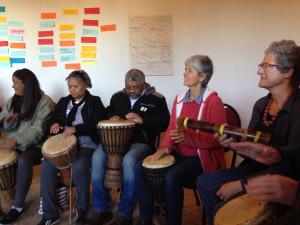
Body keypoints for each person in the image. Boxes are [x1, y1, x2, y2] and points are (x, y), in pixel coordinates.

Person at [197, 39, 300, 225]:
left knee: (225, 196)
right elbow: (254, 150)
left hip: (286, 175)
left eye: (267, 66)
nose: (259, 70)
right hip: (256, 167)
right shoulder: (261, 105)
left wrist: (242, 184)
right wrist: (235, 145)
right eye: (261, 65)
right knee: (205, 183)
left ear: (288, 71)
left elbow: (293, 163)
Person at [136, 55, 226, 225]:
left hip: (201, 157)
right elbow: (171, 129)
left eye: (189, 70)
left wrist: (188, 136)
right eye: (185, 69)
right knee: (141, 169)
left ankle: (172, 221)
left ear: (202, 76)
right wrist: (164, 148)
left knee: (171, 177)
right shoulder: (179, 99)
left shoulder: (214, 102)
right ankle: (147, 217)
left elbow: (217, 140)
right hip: (180, 153)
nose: (184, 73)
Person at [88, 69, 170, 225]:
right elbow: (108, 112)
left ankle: (124, 213)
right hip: (113, 142)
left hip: (141, 142)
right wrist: (112, 116)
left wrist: (142, 119)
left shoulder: (157, 99)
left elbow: (164, 123)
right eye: (128, 86)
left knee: (129, 161)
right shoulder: (118, 96)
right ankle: (101, 209)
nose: (131, 90)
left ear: (143, 84)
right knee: (97, 158)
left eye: (135, 87)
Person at [37, 70, 106, 225]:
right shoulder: (63, 101)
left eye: (76, 86)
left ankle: (81, 210)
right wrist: (54, 123)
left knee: (80, 165)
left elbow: (97, 124)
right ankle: (49, 214)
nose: (72, 89)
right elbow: (54, 118)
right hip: (65, 144)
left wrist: (77, 129)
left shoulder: (95, 101)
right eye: (70, 86)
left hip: (86, 144)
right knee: (47, 165)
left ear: (85, 85)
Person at [0, 68, 55, 225]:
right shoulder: (14, 100)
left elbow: (37, 131)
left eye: (16, 82)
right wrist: (6, 122)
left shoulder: (45, 102)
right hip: (15, 141)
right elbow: (3, 118)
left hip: (37, 145)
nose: (13, 86)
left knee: (24, 160)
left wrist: (15, 141)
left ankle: (17, 207)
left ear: (27, 84)